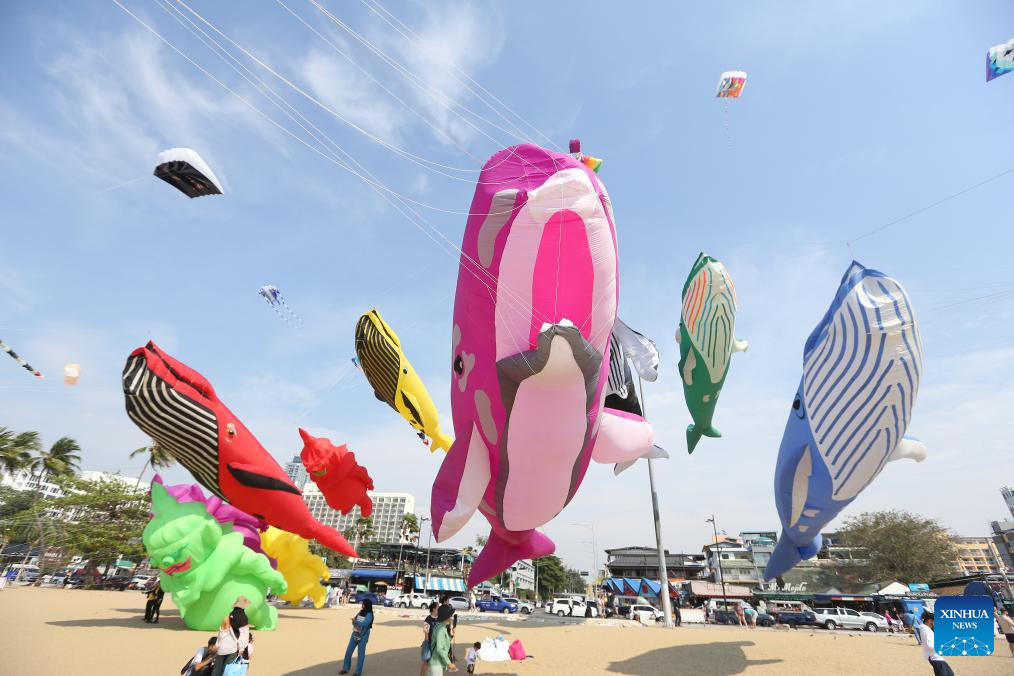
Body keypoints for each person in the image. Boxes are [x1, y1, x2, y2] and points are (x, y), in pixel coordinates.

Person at [212, 600, 251, 676]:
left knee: (217, 670)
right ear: (244, 607)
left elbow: (221, 632)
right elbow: (244, 634)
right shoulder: (243, 617)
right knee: (228, 670)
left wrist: (217, 644)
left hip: (221, 647)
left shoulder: (227, 616)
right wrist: (241, 648)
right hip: (232, 648)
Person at [340, 598, 374, 676]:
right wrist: (353, 621)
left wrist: (356, 622)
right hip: (355, 634)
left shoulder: (370, 614)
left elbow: (365, 623)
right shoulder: (360, 612)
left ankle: (357, 673)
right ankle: (345, 668)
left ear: (367, 605)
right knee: (348, 651)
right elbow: (355, 620)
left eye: (363, 603)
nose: (362, 605)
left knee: (360, 654)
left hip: (363, 636)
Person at [920, 610, 954, 676]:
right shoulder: (925, 629)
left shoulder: (927, 629)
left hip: (938, 658)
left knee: (950, 674)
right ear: (930, 621)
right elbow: (929, 645)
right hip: (935, 658)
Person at [427, 605, 458, 675]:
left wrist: (451, 635)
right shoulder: (441, 629)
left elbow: (444, 642)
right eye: (450, 616)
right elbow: (440, 649)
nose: (451, 618)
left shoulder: (441, 627)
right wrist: (449, 663)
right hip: (436, 664)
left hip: (435, 663)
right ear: (446, 617)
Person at [420, 603, 439, 676]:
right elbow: (426, 634)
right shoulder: (428, 620)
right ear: (433, 609)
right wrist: (427, 645)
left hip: (438, 644)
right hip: (430, 643)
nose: (439, 609)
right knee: (426, 662)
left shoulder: (440, 618)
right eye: (438, 608)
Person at [439, 595, 458, 664]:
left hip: (442, 627)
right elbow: (448, 618)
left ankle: (448, 657)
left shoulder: (441, 608)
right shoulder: (445, 608)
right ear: (445, 601)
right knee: (446, 642)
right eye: (448, 601)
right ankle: (448, 658)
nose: (448, 602)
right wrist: (452, 627)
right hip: (445, 627)